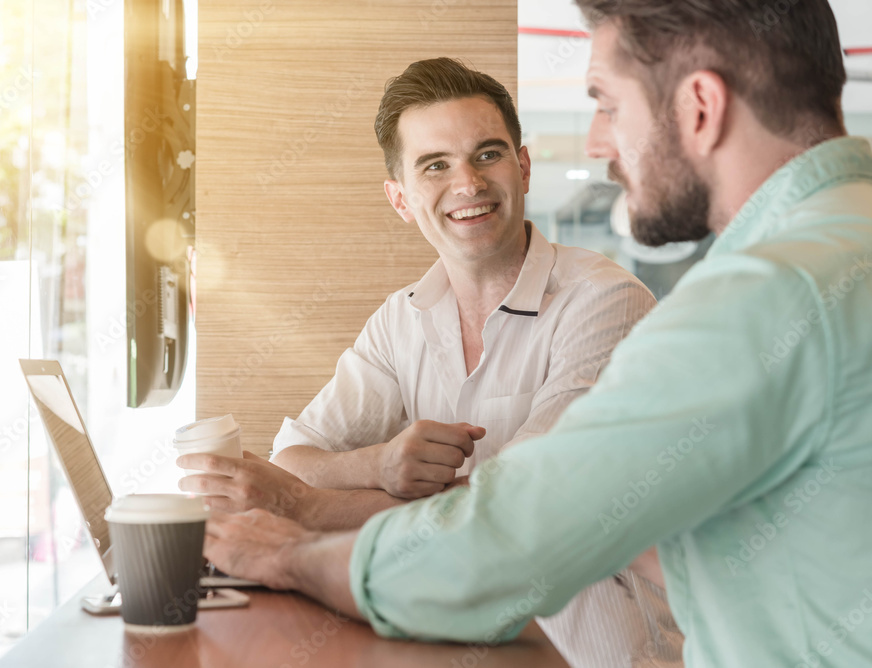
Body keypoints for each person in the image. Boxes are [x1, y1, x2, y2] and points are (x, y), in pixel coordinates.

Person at [203, 1, 872, 667]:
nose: (595, 143)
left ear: (700, 105)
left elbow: (514, 538)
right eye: (433, 164)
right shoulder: (837, 247)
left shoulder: (766, 295)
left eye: (607, 104)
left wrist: (289, 548)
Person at [180, 59, 683, 666]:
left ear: (522, 167)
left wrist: (308, 510)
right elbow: (294, 457)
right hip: (459, 642)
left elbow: (522, 512)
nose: (467, 183)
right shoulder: (403, 318)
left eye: (488, 154)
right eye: (435, 165)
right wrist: (380, 462)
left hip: (600, 652)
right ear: (400, 198)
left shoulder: (605, 302)